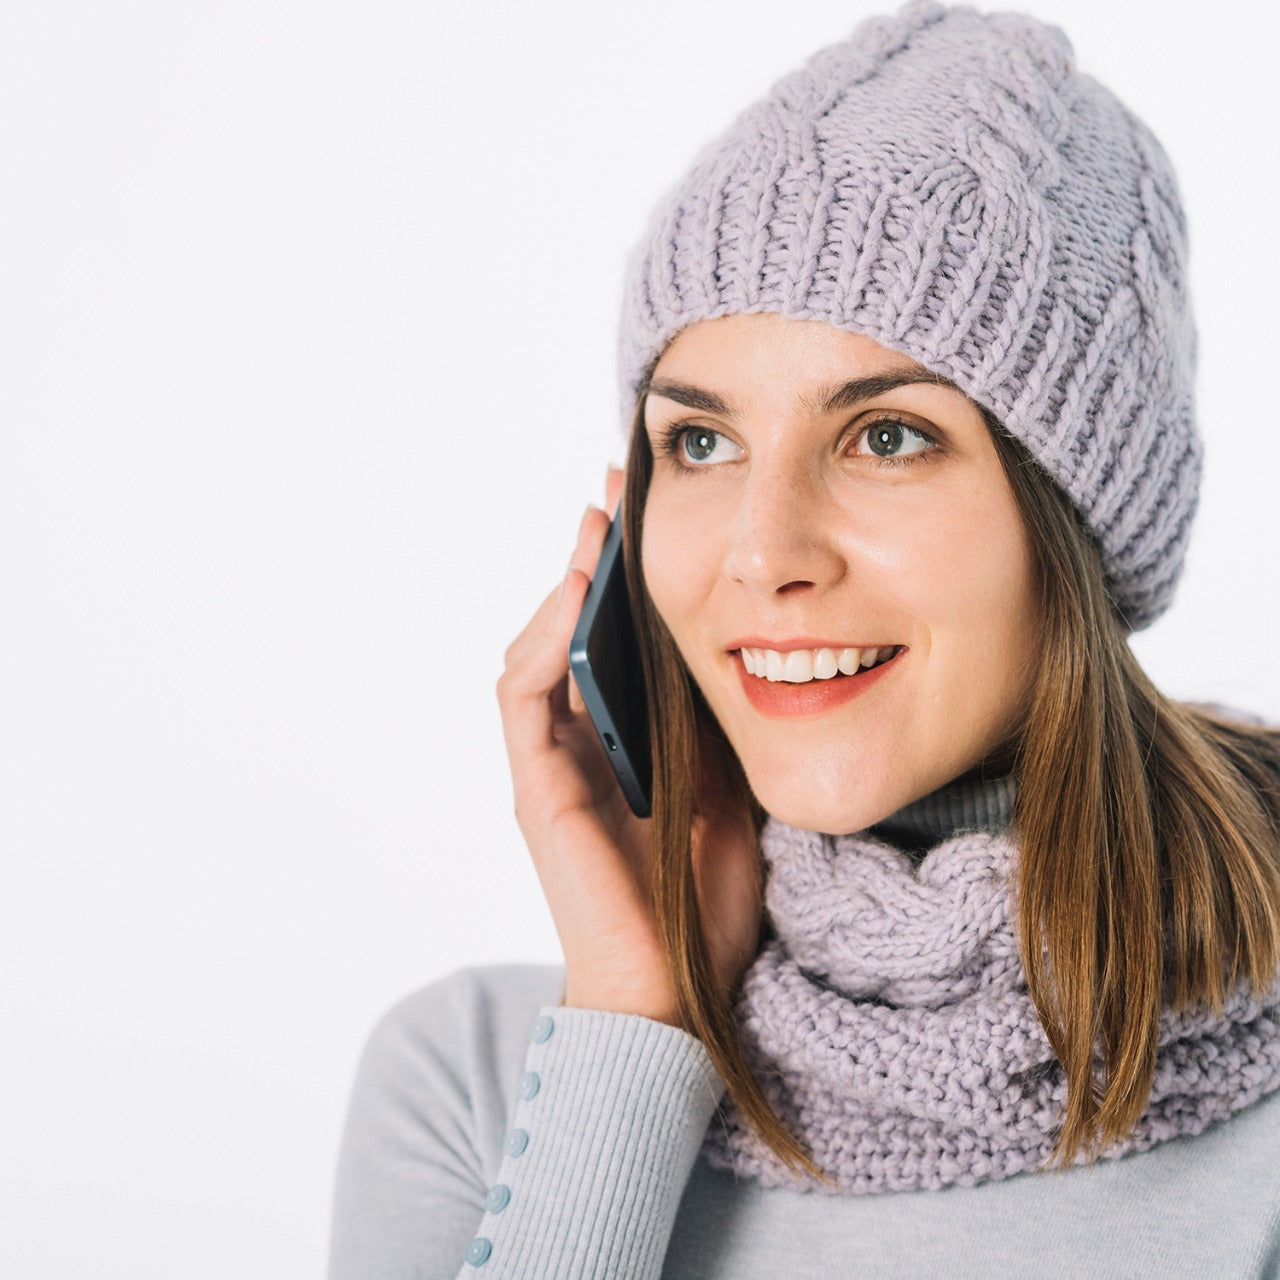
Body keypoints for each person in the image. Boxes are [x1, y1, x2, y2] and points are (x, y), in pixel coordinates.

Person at [326, 2, 1280, 1275]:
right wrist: (635, 1022)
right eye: (700, 442)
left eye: (885, 436)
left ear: (1079, 516)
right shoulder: (478, 1081)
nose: (763, 553)